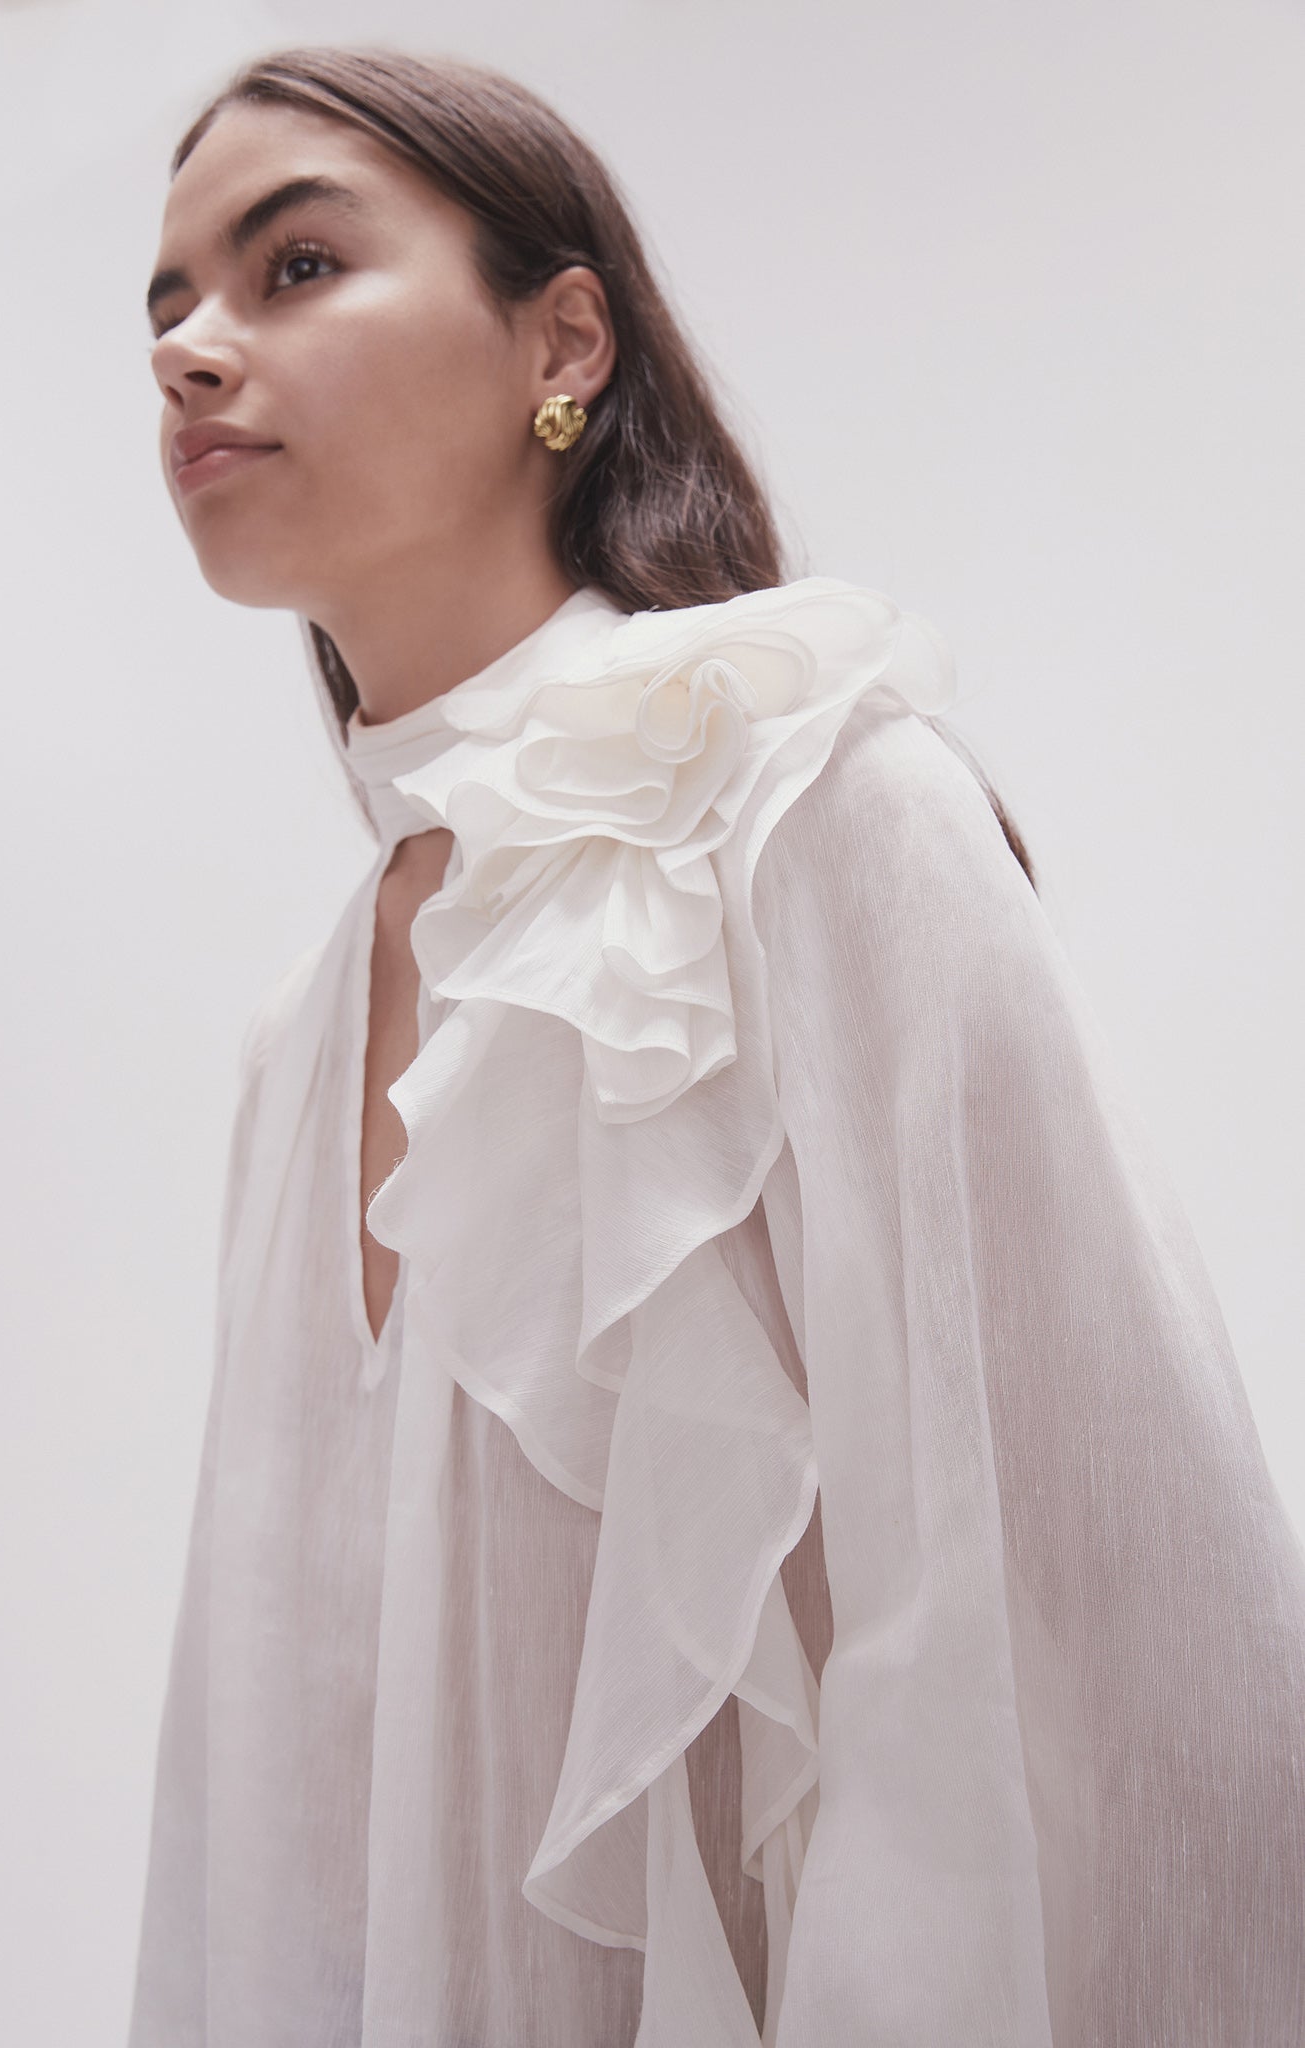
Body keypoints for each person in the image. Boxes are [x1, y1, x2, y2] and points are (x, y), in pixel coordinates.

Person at [126, 44, 1305, 2048]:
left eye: (294, 264)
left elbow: (1126, 1637)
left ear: (560, 343)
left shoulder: (819, 815)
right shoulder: (291, 1048)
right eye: (163, 309)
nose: (189, 351)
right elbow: (279, 1810)